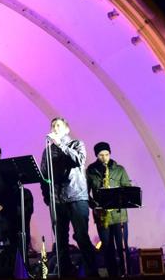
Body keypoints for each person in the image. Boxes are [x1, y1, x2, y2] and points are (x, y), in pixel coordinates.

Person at [40, 118, 98, 277]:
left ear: (66, 129)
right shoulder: (48, 150)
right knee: (60, 241)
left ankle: (92, 273)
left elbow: (79, 160)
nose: (55, 128)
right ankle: (64, 273)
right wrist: (47, 196)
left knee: (81, 236)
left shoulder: (77, 144)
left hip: (76, 196)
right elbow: (44, 176)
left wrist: (60, 145)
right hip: (57, 200)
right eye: (53, 126)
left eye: (58, 125)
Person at [87, 142, 131, 277]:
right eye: (101, 155)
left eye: (107, 154)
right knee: (107, 248)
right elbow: (85, 192)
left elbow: (127, 188)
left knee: (122, 247)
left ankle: (125, 272)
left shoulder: (120, 169)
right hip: (102, 215)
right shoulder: (91, 170)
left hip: (119, 216)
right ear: (96, 156)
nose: (104, 158)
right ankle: (113, 274)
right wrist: (93, 204)